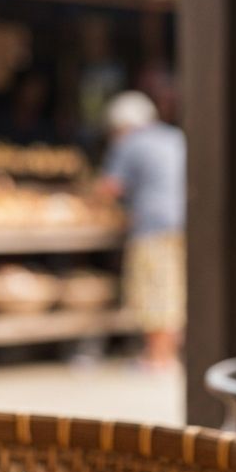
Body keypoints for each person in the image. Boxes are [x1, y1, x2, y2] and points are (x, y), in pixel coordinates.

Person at [97, 91, 185, 369]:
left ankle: (158, 358)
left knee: (154, 291)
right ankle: (168, 354)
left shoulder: (130, 142)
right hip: (186, 221)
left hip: (153, 225)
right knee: (175, 288)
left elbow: (110, 188)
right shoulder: (174, 137)